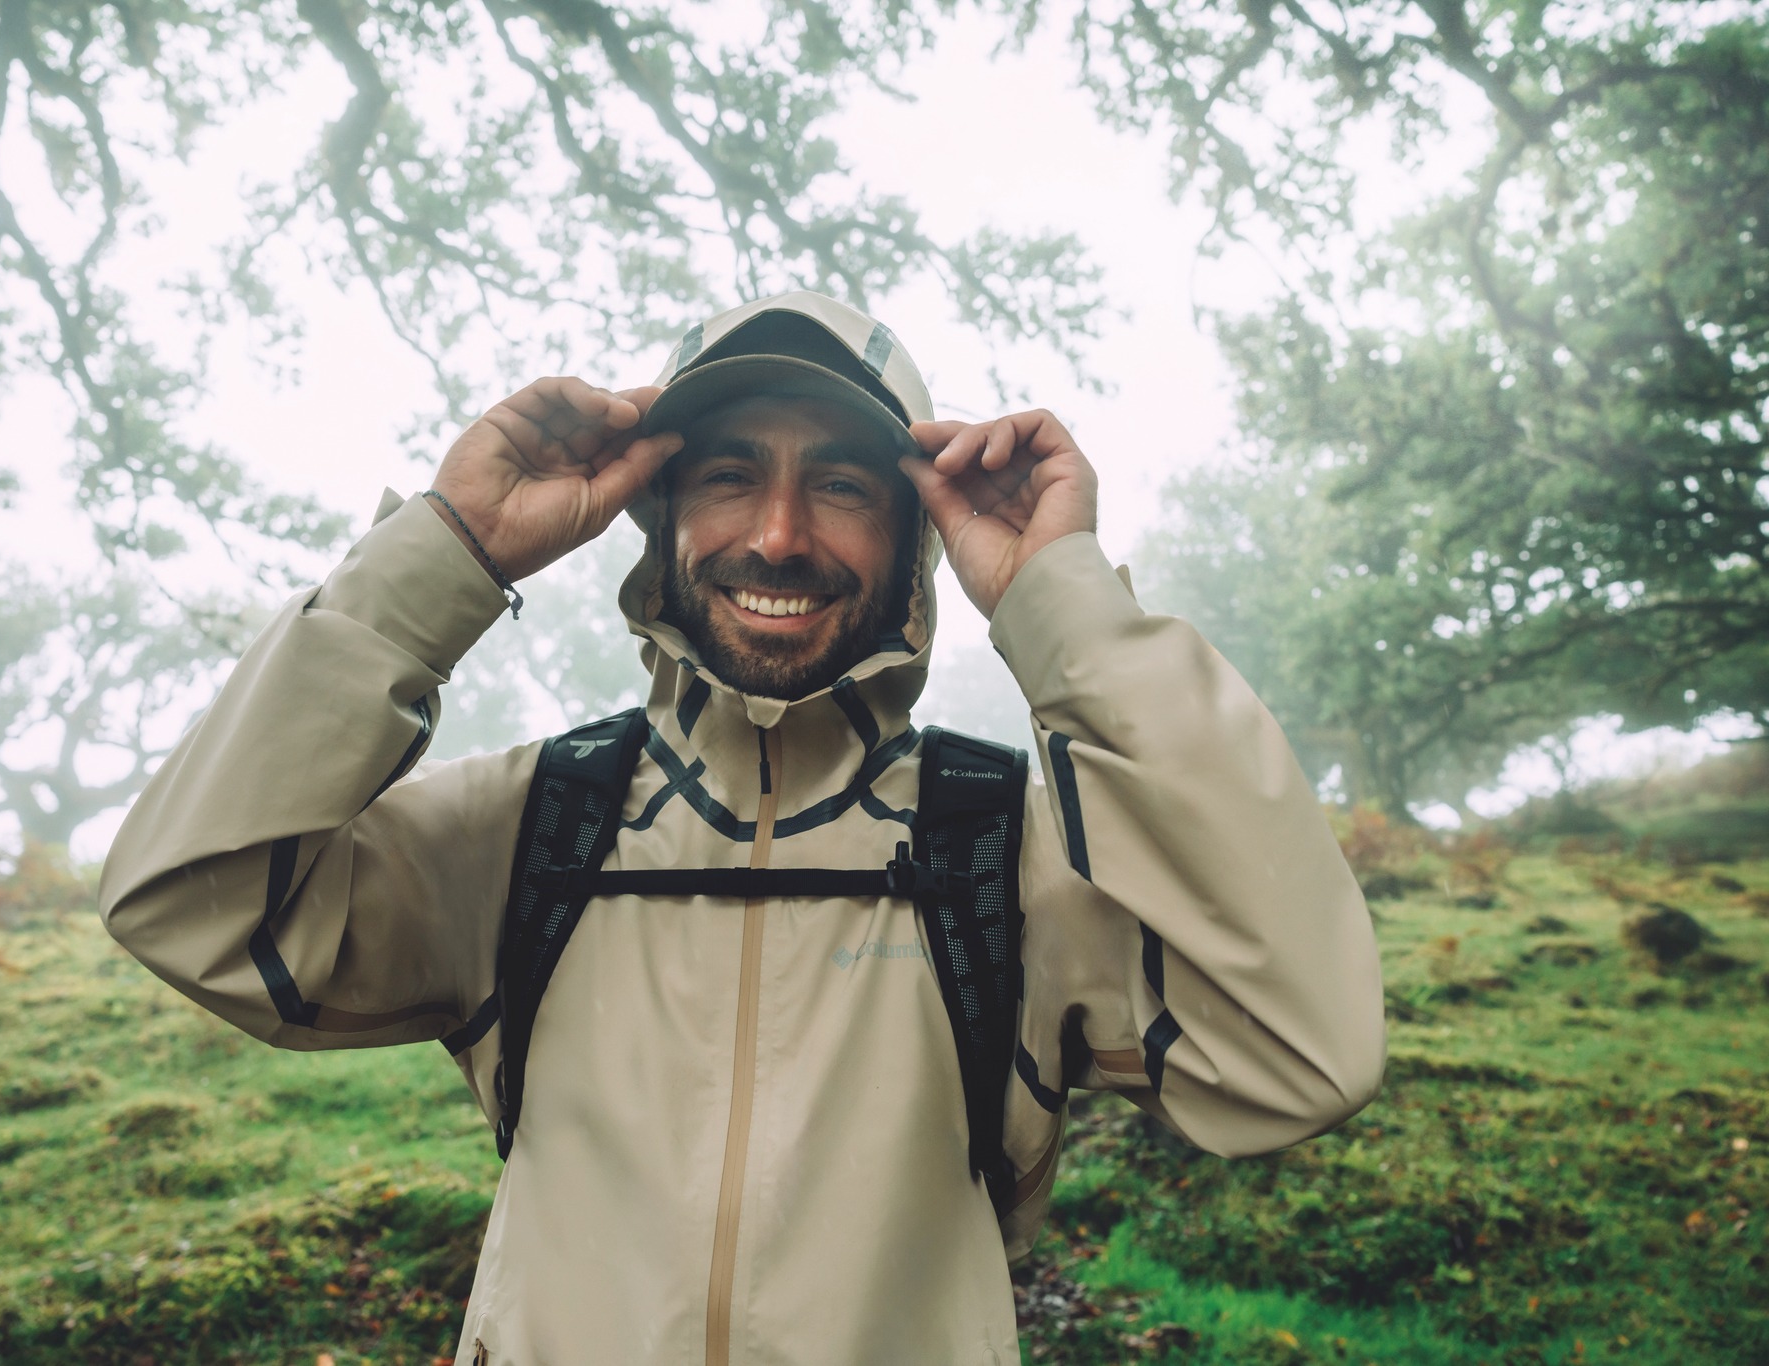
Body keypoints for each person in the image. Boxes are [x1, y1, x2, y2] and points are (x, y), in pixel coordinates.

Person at [99, 291, 1385, 1366]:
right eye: (727, 476)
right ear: (659, 522)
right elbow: (190, 907)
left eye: (840, 484)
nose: (777, 535)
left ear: (913, 544)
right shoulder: (528, 829)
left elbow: (1300, 1056)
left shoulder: (1006, 855)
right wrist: (446, 553)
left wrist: (1063, 604)